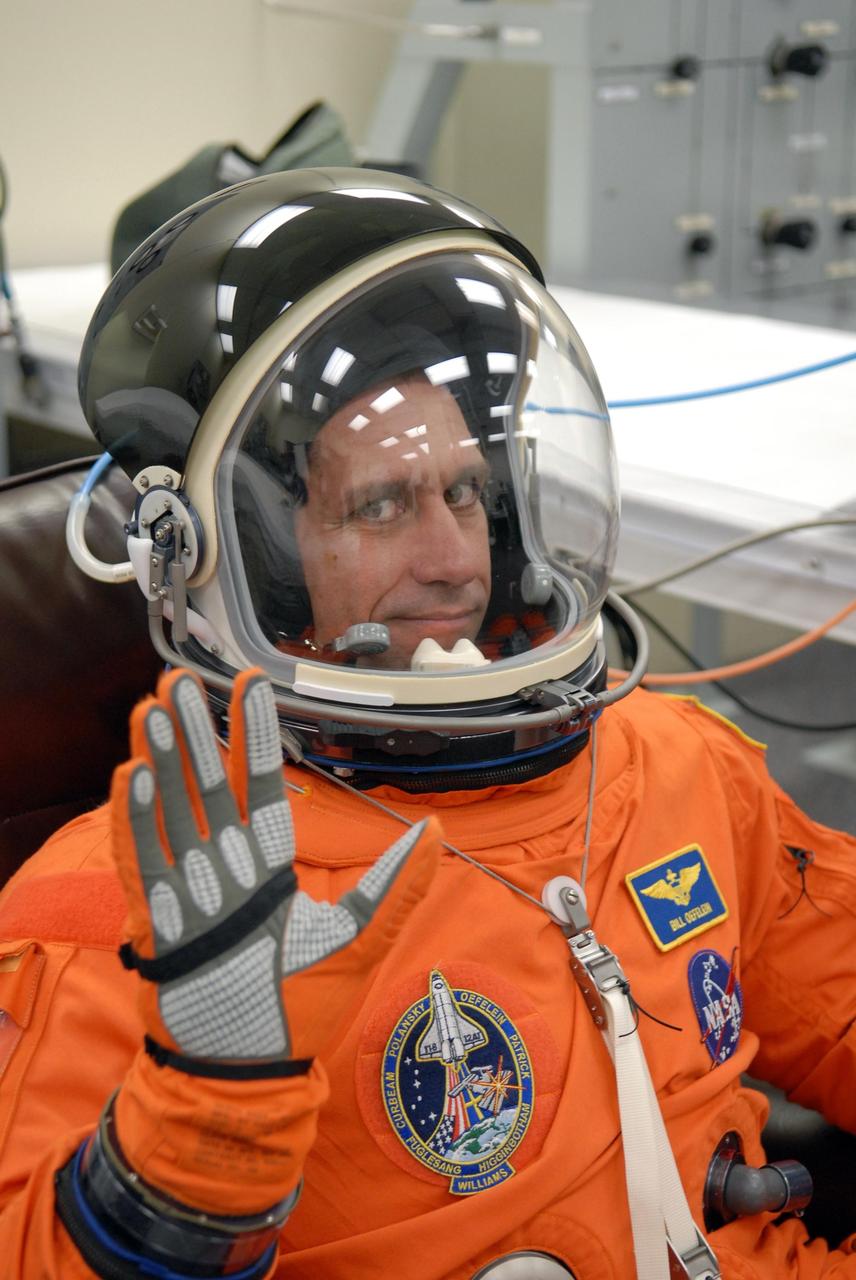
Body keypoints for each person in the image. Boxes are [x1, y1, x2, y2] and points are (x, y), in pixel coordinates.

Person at [0, 167, 855, 1280]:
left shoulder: (675, 763)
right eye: (381, 505)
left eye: (463, 494)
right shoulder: (136, 907)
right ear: (248, 555)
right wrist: (208, 1113)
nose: (456, 560)